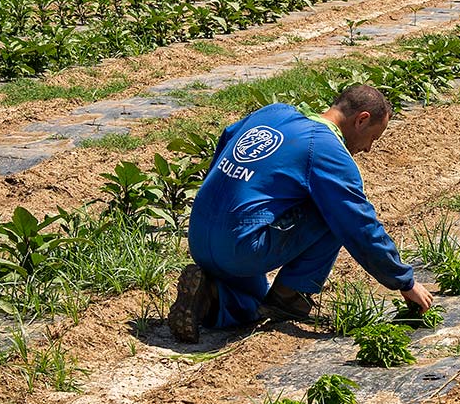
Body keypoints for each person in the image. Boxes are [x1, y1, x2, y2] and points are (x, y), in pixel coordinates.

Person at [168, 84, 434, 342]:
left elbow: (227, 140)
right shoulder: (327, 150)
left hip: (199, 235)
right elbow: (360, 226)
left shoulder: (273, 113)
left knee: (252, 304)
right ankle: (289, 297)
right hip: (242, 248)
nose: (368, 149)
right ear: (361, 120)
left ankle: (209, 295)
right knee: (336, 211)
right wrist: (405, 282)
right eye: (373, 138)